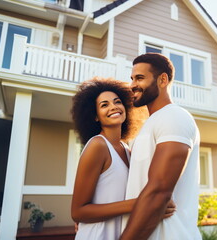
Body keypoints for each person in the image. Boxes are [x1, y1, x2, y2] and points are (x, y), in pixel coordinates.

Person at [70, 77, 175, 240]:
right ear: (95, 116)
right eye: (104, 105)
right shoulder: (97, 146)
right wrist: (144, 204)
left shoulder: (127, 150)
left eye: (117, 102)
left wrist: (157, 205)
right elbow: (78, 212)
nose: (113, 107)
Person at [121, 53, 202, 240]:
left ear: (163, 80)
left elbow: (159, 191)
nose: (132, 84)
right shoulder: (149, 125)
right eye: (132, 78)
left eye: (140, 78)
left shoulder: (174, 117)